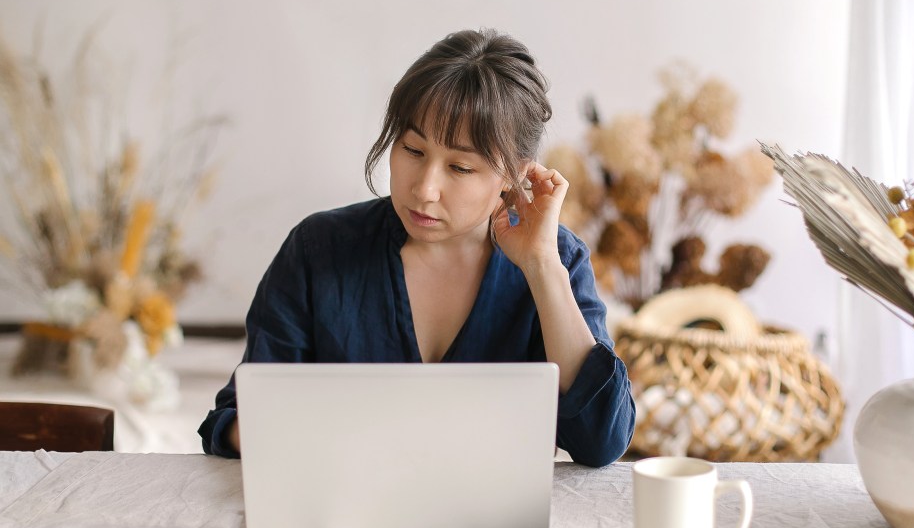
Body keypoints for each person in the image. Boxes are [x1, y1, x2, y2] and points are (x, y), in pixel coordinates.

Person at [198, 28, 635, 467]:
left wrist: (541, 267)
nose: (424, 190)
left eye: (460, 167)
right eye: (412, 149)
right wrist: (275, 431)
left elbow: (601, 439)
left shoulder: (557, 259)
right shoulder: (318, 251)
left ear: (513, 175)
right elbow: (235, 418)